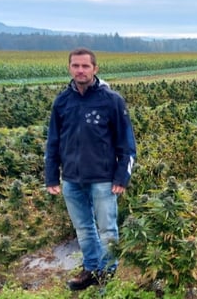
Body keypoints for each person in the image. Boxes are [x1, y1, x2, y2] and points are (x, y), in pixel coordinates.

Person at [45, 47, 137, 291]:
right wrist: (51, 176)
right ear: (69, 68)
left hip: (103, 179)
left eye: (85, 66)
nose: (80, 70)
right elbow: (53, 141)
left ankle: (108, 274)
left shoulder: (111, 100)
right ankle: (91, 269)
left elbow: (127, 144)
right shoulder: (62, 101)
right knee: (83, 229)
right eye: (75, 66)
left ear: (95, 69)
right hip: (72, 179)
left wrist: (122, 176)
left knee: (107, 229)